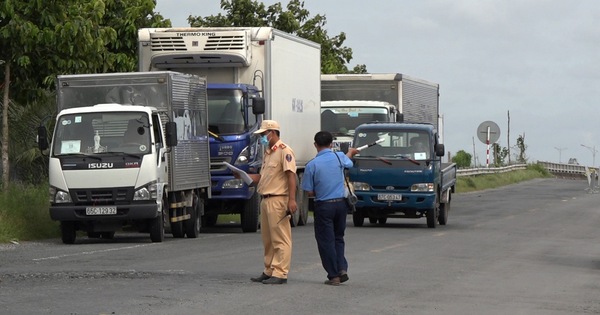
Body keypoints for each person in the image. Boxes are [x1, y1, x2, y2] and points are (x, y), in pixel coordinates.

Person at [301, 131, 358, 286]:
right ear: (331, 144)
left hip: (324, 205)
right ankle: (342, 268)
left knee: (326, 241)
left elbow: (309, 190)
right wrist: (350, 152)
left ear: (315, 145)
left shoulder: (312, 165)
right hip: (340, 204)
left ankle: (333, 275)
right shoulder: (339, 157)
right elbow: (349, 163)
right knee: (338, 237)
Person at [246, 120, 298, 285]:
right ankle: (269, 269)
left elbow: (291, 176)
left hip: (278, 199)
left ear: (272, 133)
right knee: (267, 239)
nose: (262, 138)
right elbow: (263, 178)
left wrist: (291, 199)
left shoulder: (284, 151)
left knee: (280, 239)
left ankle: (280, 272)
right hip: (265, 199)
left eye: (263, 134)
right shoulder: (268, 152)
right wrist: (243, 176)